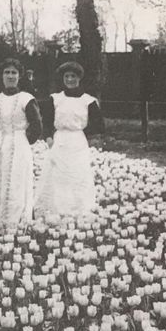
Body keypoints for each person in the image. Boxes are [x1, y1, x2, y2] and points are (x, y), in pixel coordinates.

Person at [35, 61, 105, 216]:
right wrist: (48, 137)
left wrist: (87, 136)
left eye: (73, 76)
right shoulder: (55, 99)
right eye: (67, 76)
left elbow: (98, 125)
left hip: (78, 141)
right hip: (59, 140)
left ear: (79, 78)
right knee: (57, 176)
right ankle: (56, 210)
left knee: (77, 175)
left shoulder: (89, 101)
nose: (70, 80)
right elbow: (46, 122)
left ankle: (78, 211)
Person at [0, 58, 42, 228]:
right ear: (1, 76)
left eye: (13, 73)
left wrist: (24, 141)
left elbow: (37, 125)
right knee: (0, 185)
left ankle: (17, 224)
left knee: (17, 184)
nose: (10, 76)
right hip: (0, 146)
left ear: (19, 76)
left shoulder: (26, 99)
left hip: (20, 146)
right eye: (6, 72)